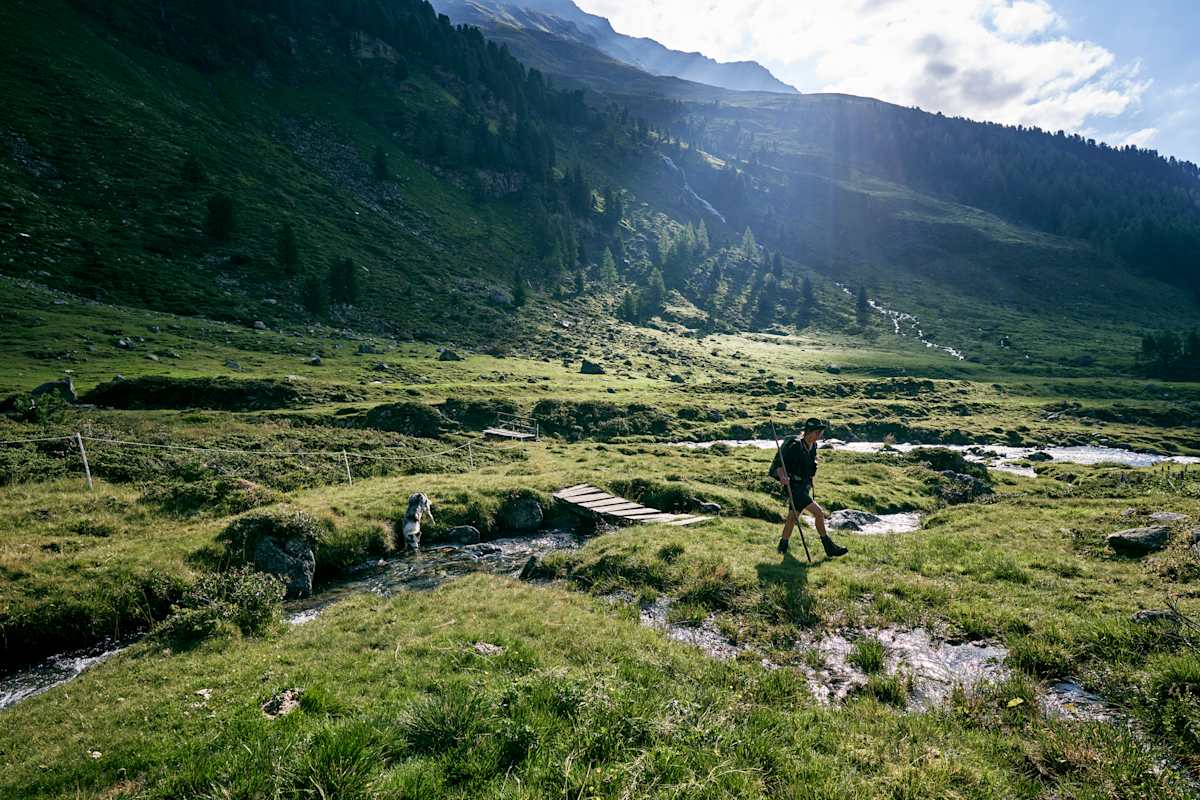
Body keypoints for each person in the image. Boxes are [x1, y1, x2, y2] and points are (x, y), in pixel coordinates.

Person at [767, 417, 847, 558]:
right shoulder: (794, 446)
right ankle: (829, 547)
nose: (819, 435)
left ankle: (782, 547)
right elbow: (780, 465)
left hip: (803, 486)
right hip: (793, 487)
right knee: (819, 513)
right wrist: (783, 477)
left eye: (820, 433)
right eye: (817, 432)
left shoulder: (813, 446)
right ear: (809, 432)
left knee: (793, 517)